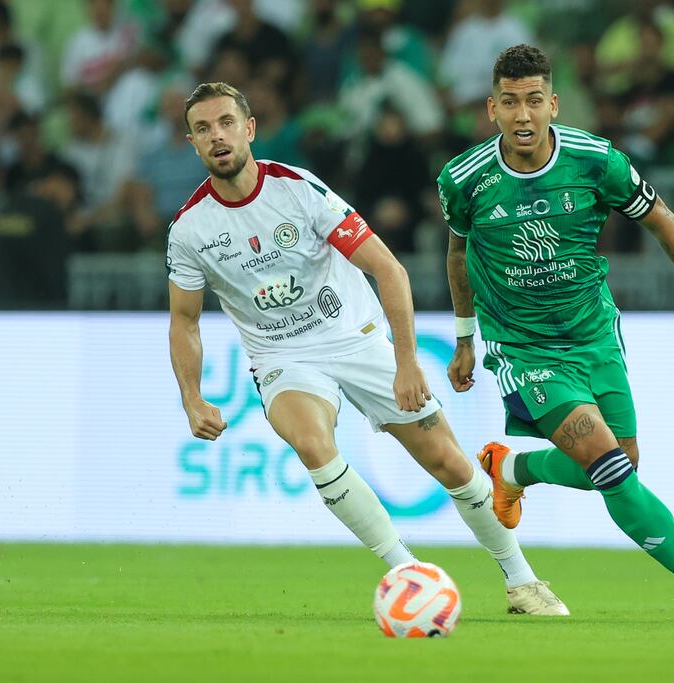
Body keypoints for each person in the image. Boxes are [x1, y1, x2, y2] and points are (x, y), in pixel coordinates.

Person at [166, 82, 568, 616]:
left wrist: (406, 361)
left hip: (353, 337)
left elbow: (387, 269)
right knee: (313, 444)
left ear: (249, 129)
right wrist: (192, 397)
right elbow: (185, 320)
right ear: (192, 142)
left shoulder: (299, 191)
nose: (217, 136)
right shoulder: (190, 229)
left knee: (448, 463)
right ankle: (408, 572)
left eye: (225, 123)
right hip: (282, 357)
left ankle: (522, 580)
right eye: (203, 128)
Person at [438, 45, 674, 622]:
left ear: (553, 104)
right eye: (509, 103)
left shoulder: (596, 161)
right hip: (524, 347)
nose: (522, 115)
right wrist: (466, 337)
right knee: (607, 464)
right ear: (492, 110)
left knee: (623, 465)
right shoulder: (465, 179)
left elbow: (658, 215)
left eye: (534, 101)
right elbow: (458, 252)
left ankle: (512, 469)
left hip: (595, 334)